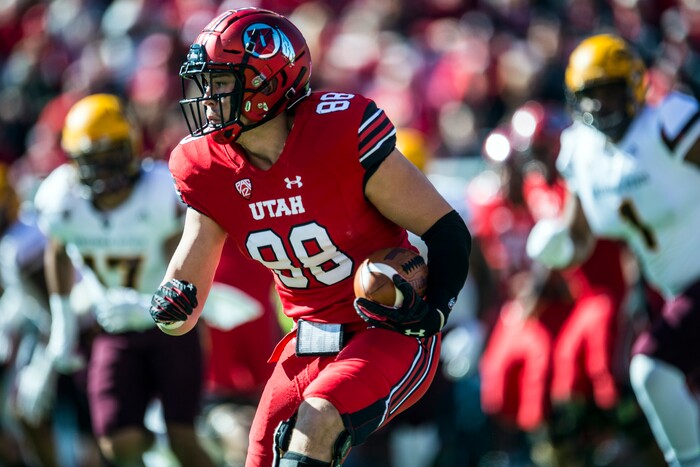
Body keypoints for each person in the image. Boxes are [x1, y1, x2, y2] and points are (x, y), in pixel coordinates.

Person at [148, 7, 471, 467]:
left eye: (221, 83)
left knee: (317, 423)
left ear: (267, 81)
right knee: (261, 457)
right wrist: (169, 304)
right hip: (308, 341)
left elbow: (445, 230)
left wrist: (434, 312)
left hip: (385, 329)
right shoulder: (205, 167)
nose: (207, 98)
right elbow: (185, 300)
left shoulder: (339, 133)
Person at [526, 33, 700, 467]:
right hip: (675, 291)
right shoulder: (581, 153)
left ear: (637, 86)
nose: (602, 106)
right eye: (591, 96)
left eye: (611, 92)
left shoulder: (669, 122)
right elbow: (580, 237)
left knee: (653, 369)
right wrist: (556, 249)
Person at [33, 93, 215, 467]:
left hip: (171, 330)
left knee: (184, 440)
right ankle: (155, 440)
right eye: (93, 161)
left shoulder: (158, 190)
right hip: (113, 329)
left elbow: (183, 261)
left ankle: (167, 439)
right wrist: (62, 322)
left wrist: (154, 303)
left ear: (130, 149)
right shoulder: (61, 196)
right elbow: (57, 249)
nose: (104, 172)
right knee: (118, 444)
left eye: (111, 157)